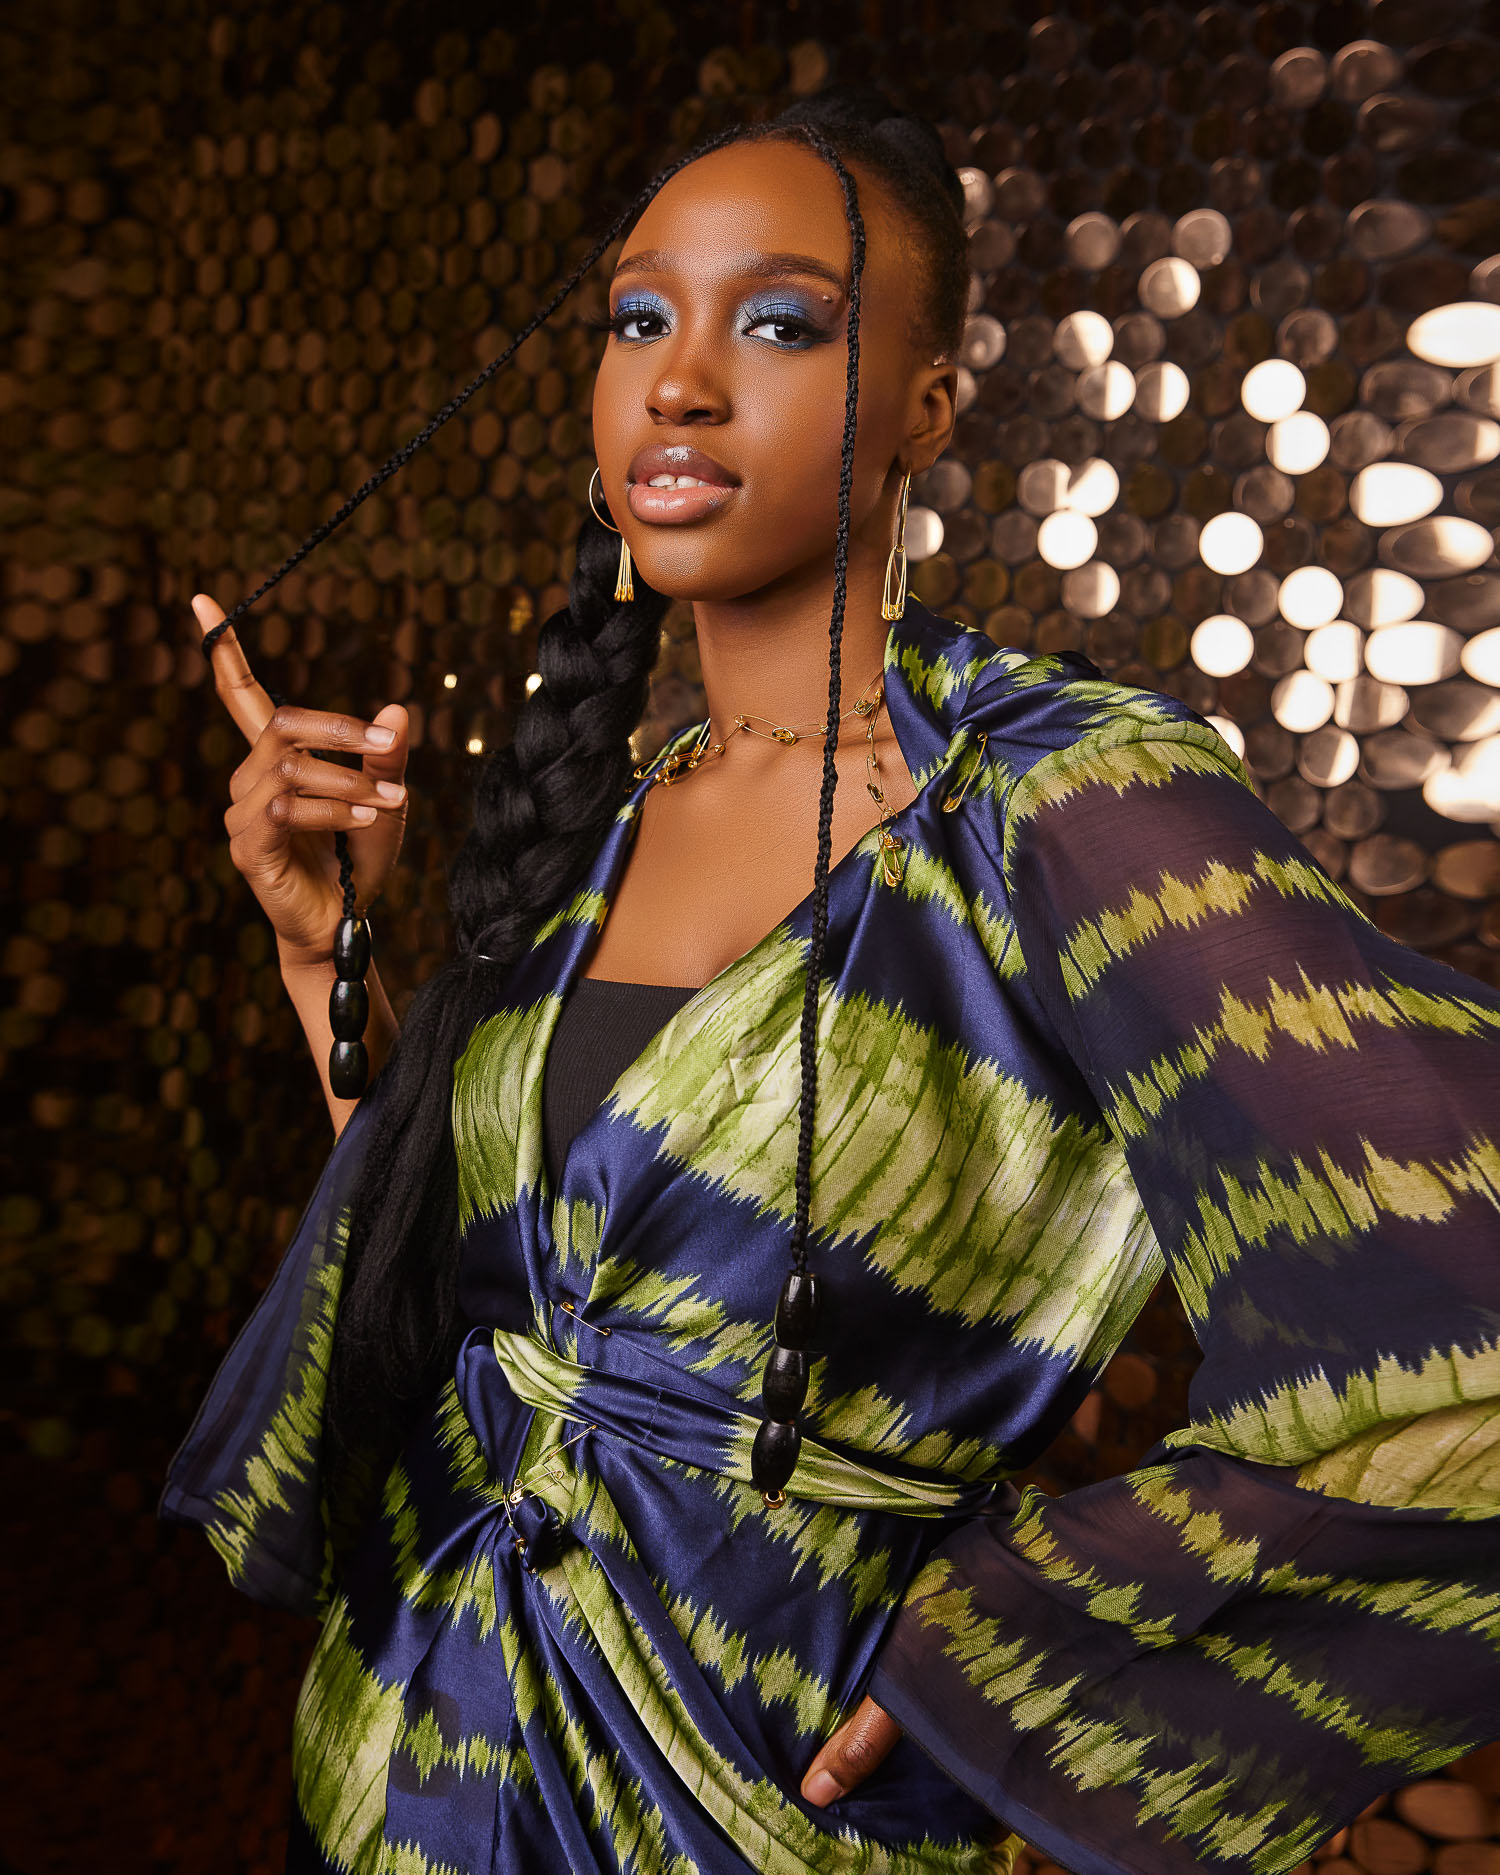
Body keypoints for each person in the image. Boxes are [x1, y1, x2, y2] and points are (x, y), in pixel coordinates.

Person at [161, 88, 1500, 1875]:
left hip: (758, 1800)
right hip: (402, 1753)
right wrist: (322, 949)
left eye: (782, 324)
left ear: (928, 407)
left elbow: (1464, 1323)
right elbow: (476, 1287)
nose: (681, 382)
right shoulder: (613, 810)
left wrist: (1033, 1647)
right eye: (641, 318)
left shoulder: (1059, 795)